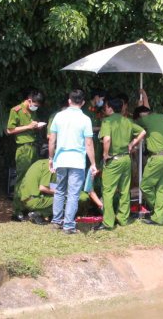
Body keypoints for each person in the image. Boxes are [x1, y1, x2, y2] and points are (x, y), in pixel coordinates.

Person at [48, 89, 98, 234]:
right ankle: (68, 225)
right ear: (83, 103)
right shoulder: (85, 119)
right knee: (73, 194)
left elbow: (52, 140)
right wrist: (93, 163)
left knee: (59, 191)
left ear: (69, 100)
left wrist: (51, 158)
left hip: (61, 160)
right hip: (77, 161)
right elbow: (88, 143)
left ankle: (57, 221)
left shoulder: (59, 116)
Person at [94, 98, 146, 231]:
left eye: (106, 107)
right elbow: (143, 132)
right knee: (124, 190)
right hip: (126, 159)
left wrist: (105, 155)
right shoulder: (127, 121)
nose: (105, 109)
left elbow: (107, 139)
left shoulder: (107, 121)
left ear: (111, 108)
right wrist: (132, 143)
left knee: (108, 191)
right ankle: (123, 219)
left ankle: (108, 222)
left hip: (114, 160)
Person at [6, 89, 45, 221]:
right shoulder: (16, 110)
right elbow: (10, 129)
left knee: (33, 179)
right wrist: (28, 127)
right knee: (21, 178)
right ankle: (17, 210)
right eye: (35, 104)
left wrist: (37, 126)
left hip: (34, 147)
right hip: (23, 149)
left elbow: (32, 125)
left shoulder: (33, 111)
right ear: (29, 100)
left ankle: (30, 207)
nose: (36, 107)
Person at [134, 105, 163, 226]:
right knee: (162, 188)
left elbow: (134, 125)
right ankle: (158, 217)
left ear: (141, 115)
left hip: (157, 158)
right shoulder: (162, 117)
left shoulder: (144, 120)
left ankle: (158, 210)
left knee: (145, 186)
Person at [19, 145, 56, 225]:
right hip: (34, 200)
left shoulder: (39, 163)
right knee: (64, 198)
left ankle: (39, 214)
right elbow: (42, 187)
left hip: (26, 199)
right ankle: (40, 213)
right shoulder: (48, 167)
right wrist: (60, 191)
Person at [83, 89, 106, 167]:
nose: (102, 101)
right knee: (89, 165)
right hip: (89, 140)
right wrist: (102, 128)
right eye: (102, 99)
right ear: (96, 97)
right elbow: (88, 128)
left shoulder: (95, 109)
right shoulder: (86, 109)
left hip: (96, 141)